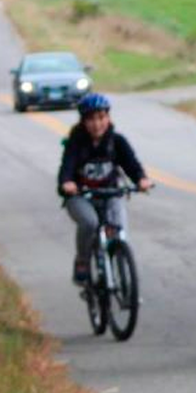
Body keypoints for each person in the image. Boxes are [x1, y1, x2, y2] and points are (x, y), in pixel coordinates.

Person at [59, 93, 153, 285]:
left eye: (101, 117)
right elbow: (66, 169)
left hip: (111, 193)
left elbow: (132, 165)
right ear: (83, 121)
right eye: (91, 119)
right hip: (81, 196)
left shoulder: (117, 141)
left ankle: (119, 262)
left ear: (108, 118)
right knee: (90, 223)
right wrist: (67, 183)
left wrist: (142, 180)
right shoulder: (75, 143)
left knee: (119, 229)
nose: (97, 124)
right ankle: (83, 262)